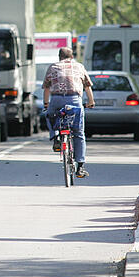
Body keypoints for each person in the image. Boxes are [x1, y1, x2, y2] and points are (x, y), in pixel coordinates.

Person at [43, 46, 95, 178]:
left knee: (50, 116)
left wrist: (46, 105)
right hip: (75, 100)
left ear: (59, 57)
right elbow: (87, 86)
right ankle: (81, 166)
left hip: (56, 99)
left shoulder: (53, 67)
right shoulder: (79, 66)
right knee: (79, 133)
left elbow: (47, 88)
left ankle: (55, 138)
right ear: (72, 57)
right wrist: (90, 102)